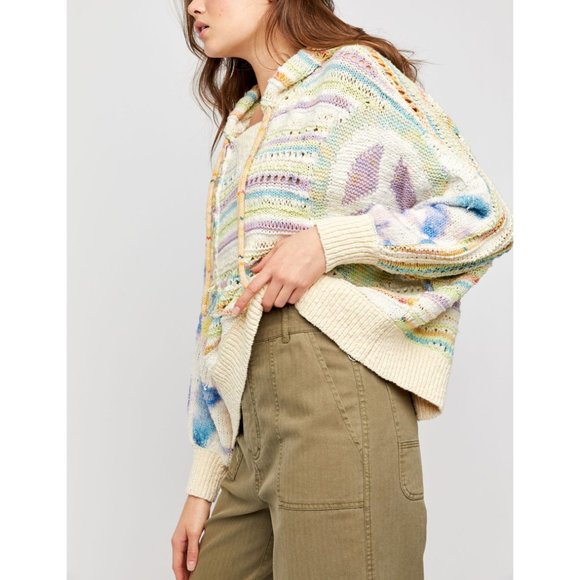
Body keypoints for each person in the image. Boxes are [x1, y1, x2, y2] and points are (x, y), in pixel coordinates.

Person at [171, 1, 514, 579]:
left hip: (332, 390)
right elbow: (220, 312)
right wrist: (203, 481)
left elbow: (481, 217)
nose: (193, 6)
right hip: (250, 425)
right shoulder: (242, 127)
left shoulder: (352, 77)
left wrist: (329, 243)